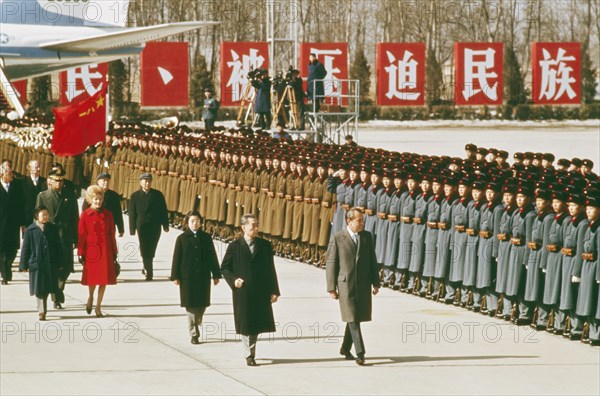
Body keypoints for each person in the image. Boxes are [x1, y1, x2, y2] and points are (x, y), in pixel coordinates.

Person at [221, 213, 280, 366]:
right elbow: (225, 268)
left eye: (257, 225)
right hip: (243, 291)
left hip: (260, 290)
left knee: (256, 324)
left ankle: (251, 350)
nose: (256, 228)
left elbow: (270, 269)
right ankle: (249, 355)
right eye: (252, 225)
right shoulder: (234, 247)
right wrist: (234, 280)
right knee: (246, 324)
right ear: (243, 227)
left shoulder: (265, 246)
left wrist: (274, 291)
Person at [326, 207, 380, 366]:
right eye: (359, 220)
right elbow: (331, 263)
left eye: (363, 220)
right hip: (345, 284)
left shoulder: (367, 237)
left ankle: (344, 348)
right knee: (353, 319)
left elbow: (372, 260)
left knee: (355, 317)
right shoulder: (337, 238)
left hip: (362, 284)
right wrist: (331, 287)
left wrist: (375, 282)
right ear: (349, 221)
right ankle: (360, 353)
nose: (362, 223)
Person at [170, 211, 222, 345]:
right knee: (190, 305)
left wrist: (216, 274)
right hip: (188, 277)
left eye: (197, 221)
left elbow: (212, 256)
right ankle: (194, 333)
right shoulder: (182, 238)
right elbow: (177, 258)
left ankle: (197, 322)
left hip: (203, 276)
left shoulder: (206, 238)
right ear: (187, 223)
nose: (195, 223)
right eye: (192, 221)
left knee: (202, 305)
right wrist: (175, 276)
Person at [35, 168, 79, 308]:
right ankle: (56, 297)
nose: (58, 183)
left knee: (65, 268)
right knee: (53, 268)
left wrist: (77, 238)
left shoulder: (70, 195)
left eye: (61, 180)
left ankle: (58, 289)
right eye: (55, 180)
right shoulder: (43, 196)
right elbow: (37, 219)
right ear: (50, 181)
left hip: (65, 236)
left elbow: (75, 218)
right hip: (50, 236)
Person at [78, 186, 118, 317]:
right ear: (90, 200)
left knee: (103, 280)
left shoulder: (109, 215)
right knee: (92, 279)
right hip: (91, 250)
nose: (98, 202)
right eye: (95, 199)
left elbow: (112, 233)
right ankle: (90, 297)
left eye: (100, 199)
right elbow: (81, 235)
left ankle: (98, 307)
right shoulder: (85, 215)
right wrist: (80, 253)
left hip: (105, 249)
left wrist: (114, 250)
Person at [19, 207, 60, 321]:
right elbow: (25, 249)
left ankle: (44, 309)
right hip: (36, 264)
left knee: (46, 288)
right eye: (43, 214)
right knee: (38, 289)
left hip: (50, 263)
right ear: (37, 216)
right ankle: (41, 311)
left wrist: (60, 262)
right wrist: (23, 265)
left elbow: (58, 246)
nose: (46, 216)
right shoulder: (30, 230)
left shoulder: (53, 228)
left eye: (47, 214)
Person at [129, 173, 169, 281]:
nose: (147, 183)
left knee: (152, 247)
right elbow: (132, 213)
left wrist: (165, 225)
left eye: (149, 181)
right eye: (145, 181)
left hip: (155, 225)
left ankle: (146, 265)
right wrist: (132, 229)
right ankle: (149, 271)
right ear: (140, 182)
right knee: (144, 246)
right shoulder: (135, 196)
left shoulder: (158, 195)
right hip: (142, 226)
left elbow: (163, 211)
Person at [0, 163, 26, 284]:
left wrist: (23, 223)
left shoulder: (17, 186)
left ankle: (7, 267)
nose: (11, 176)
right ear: (2, 174)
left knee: (12, 250)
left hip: (13, 224)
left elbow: (21, 205)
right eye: (9, 174)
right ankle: (5, 274)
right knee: (1, 251)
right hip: (1, 225)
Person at [82, 173, 124, 237]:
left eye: (107, 181)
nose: (106, 182)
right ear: (98, 182)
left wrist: (121, 229)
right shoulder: (92, 193)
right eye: (104, 180)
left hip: (109, 226)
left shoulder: (114, 196)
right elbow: (84, 209)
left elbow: (118, 213)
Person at [21, 159, 47, 226]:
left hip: (40, 218)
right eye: (36, 167)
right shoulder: (22, 182)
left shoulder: (44, 182)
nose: (39, 169)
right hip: (26, 218)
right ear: (29, 168)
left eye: (39, 167)